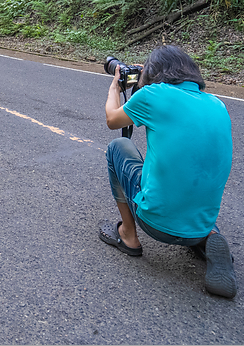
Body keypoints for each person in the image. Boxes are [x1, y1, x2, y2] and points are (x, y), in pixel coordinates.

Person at [101, 45, 237, 298]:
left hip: (156, 223)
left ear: (154, 74)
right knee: (192, 177)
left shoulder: (153, 94)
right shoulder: (217, 104)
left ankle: (128, 236)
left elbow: (112, 120)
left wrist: (115, 88)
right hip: (199, 224)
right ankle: (207, 237)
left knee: (118, 146)